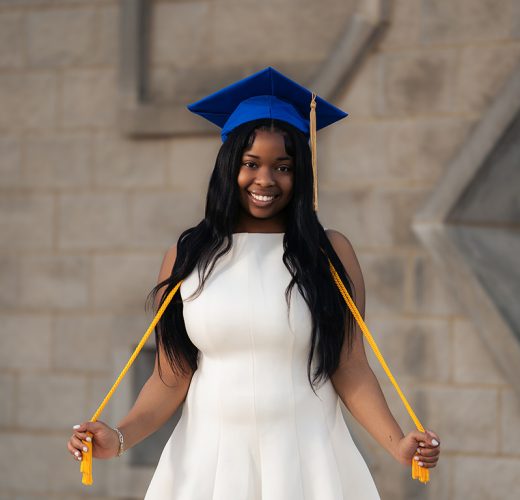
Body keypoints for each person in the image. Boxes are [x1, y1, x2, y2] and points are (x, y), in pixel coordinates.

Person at [67, 67, 440, 499]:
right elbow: (171, 375)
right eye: (251, 163)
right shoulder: (189, 255)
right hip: (208, 460)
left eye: (283, 166)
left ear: (301, 175)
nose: (266, 179)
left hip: (307, 456)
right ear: (229, 167)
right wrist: (119, 435)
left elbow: (349, 365)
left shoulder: (329, 253)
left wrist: (398, 446)